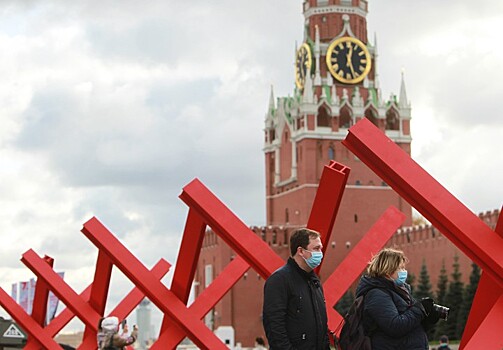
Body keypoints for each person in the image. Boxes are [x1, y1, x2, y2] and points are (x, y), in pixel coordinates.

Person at [355, 248, 439, 349]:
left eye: (404, 268)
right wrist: (419, 309)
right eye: (400, 268)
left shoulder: (400, 292)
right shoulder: (377, 295)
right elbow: (394, 327)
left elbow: (410, 325)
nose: (404, 272)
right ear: (387, 271)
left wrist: (429, 318)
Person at [263, 228, 330, 349]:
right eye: (316, 249)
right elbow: (274, 327)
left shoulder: (315, 282)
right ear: (300, 251)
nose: (320, 253)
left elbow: (322, 326)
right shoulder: (279, 280)